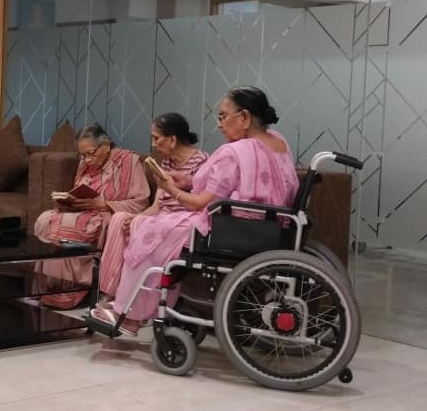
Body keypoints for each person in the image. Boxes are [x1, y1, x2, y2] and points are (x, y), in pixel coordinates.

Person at [91, 86, 298, 336]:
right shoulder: (278, 142)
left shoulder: (235, 151)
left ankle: (129, 314)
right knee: (156, 225)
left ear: (243, 118)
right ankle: (139, 305)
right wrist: (186, 180)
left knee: (147, 230)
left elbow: (200, 202)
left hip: (231, 229)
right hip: (270, 226)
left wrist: (170, 187)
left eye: (222, 117)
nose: (219, 125)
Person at [33, 122, 150, 309]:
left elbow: (141, 202)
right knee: (44, 219)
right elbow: (81, 190)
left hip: (107, 215)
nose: (87, 160)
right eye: (83, 155)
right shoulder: (85, 163)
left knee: (70, 225)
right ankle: (51, 289)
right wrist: (69, 203)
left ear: (106, 145)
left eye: (90, 153)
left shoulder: (129, 161)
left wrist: (104, 205)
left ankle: (71, 289)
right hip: (83, 213)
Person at [96, 113, 208, 304]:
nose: (154, 145)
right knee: (120, 218)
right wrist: (134, 217)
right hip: (161, 217)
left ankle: (132, 299)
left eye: (156, 138)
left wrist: (139, 220)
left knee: (138, 222)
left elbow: (201, 204)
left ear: (172, 139)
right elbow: (157, 206)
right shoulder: (165, 163)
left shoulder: (203, 161)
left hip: (183, 221)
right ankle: (109, 291)